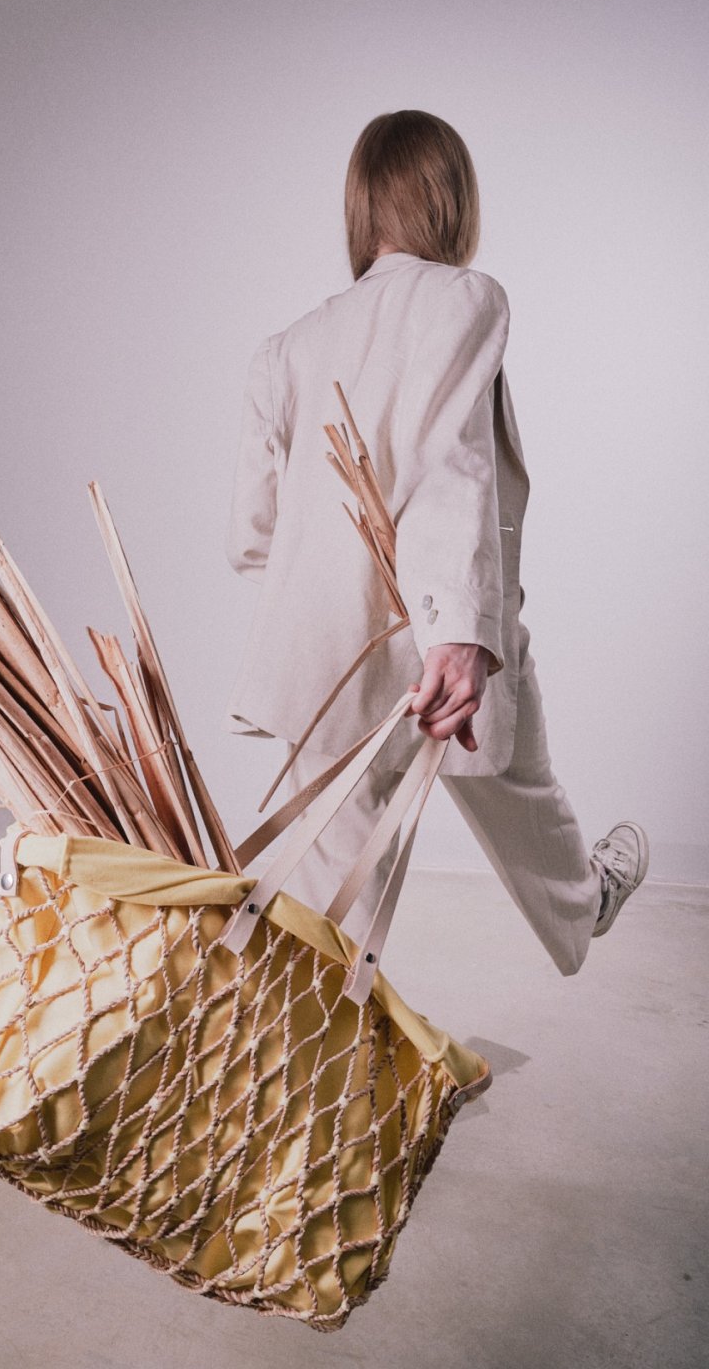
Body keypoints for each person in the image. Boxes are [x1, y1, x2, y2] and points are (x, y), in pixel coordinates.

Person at [223, 108, 647, 975]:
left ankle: (331, 1044)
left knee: (337, 908)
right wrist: (456, 631)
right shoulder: (462, 299)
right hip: (443, 643)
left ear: (360, 208)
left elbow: (252, 534)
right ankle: (584, 900)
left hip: (329, 661)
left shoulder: (285, 349)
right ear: (451, 198)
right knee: (519, 785)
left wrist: (336, 581)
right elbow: (451, 461)